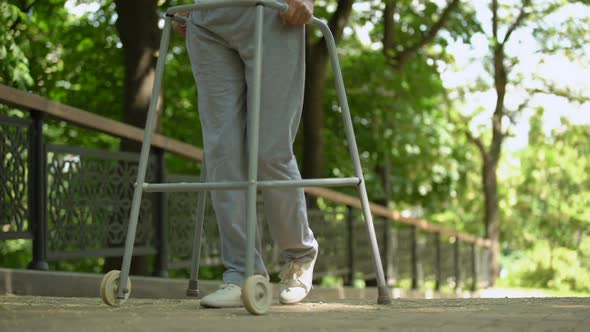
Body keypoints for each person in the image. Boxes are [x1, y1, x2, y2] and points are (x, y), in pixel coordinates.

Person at [174, 0, 319, 308]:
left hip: (272, 12)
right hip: (208, 18)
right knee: (221, 152)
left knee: (270, 150)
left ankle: (299, 256)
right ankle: (241, 272)